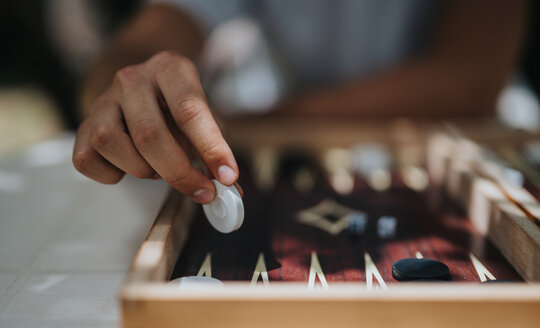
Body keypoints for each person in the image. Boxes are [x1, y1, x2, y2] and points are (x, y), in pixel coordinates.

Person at [73, 0, 526, 204]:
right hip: (293, 138)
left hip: (481, 142)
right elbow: (147, 40)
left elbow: (468, 83)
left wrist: (255, 121)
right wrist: (126, 89)